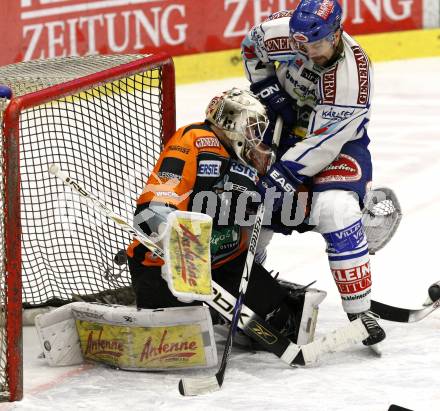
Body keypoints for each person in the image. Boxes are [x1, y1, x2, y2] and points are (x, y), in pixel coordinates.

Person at [241, 0, 386, 348]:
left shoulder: (352, 75)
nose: (308, 52)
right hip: (282, 126)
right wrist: (268, 90)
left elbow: (324, 143)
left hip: (336, 144)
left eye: (317, 45)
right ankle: (245, 288)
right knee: (245, 207)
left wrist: (283, 174)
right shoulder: (284, 33)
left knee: (336, 210)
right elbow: (251, 47)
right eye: (301, 45)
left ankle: (360, 312)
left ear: (336, 34)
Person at [126, 87, 315, 345]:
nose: (256, 136)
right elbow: (151, 210)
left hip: (226, 262)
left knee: (282, 326)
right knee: (180, 340)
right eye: (251, 127)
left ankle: (219, 313)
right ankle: (207, 311)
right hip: (164, 266)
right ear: (231, 121)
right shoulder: (192, 140)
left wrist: (298, 207)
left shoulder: (253, 157)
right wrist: (173, 247)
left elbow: (291, 210)